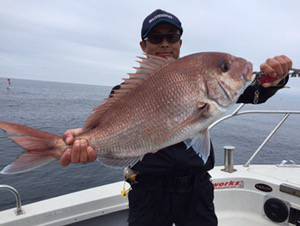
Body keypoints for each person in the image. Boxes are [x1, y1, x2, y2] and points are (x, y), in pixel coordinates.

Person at [60, 9, 292, 226]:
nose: (165, 44)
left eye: (172, 37)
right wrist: (86, 144)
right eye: (156, 38)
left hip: (195, 189)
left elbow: (254, 93)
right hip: (146, 190)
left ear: (180, 43)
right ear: (144, 45)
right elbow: (105, 131)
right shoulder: (124, 93)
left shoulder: (198, 78)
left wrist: (273, 80)